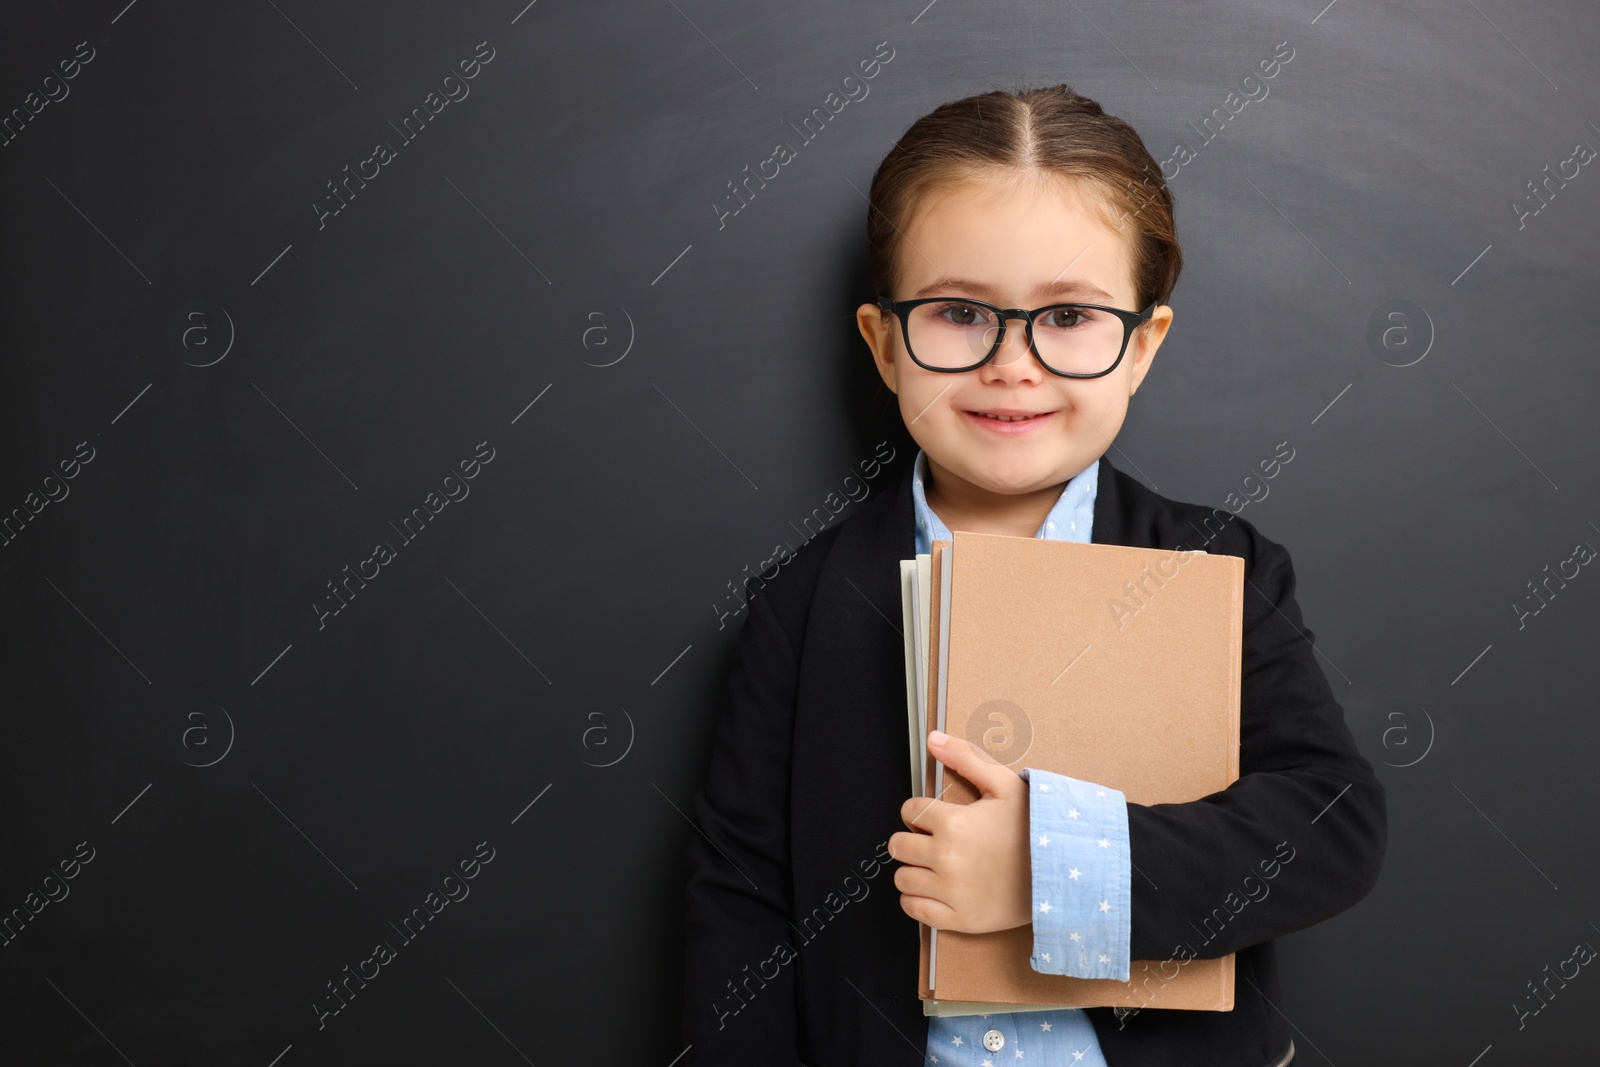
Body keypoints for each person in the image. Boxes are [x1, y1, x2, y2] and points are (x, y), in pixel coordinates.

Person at [681, 83, 1386, 1067]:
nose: (1013, 363)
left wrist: (1047, 865)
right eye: (961, 311)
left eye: (1067, 316)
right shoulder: (800, 607)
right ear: (885, 344)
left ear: (1141, 347)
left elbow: (1327, 823)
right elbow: (740, 894)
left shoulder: (1218, 568)